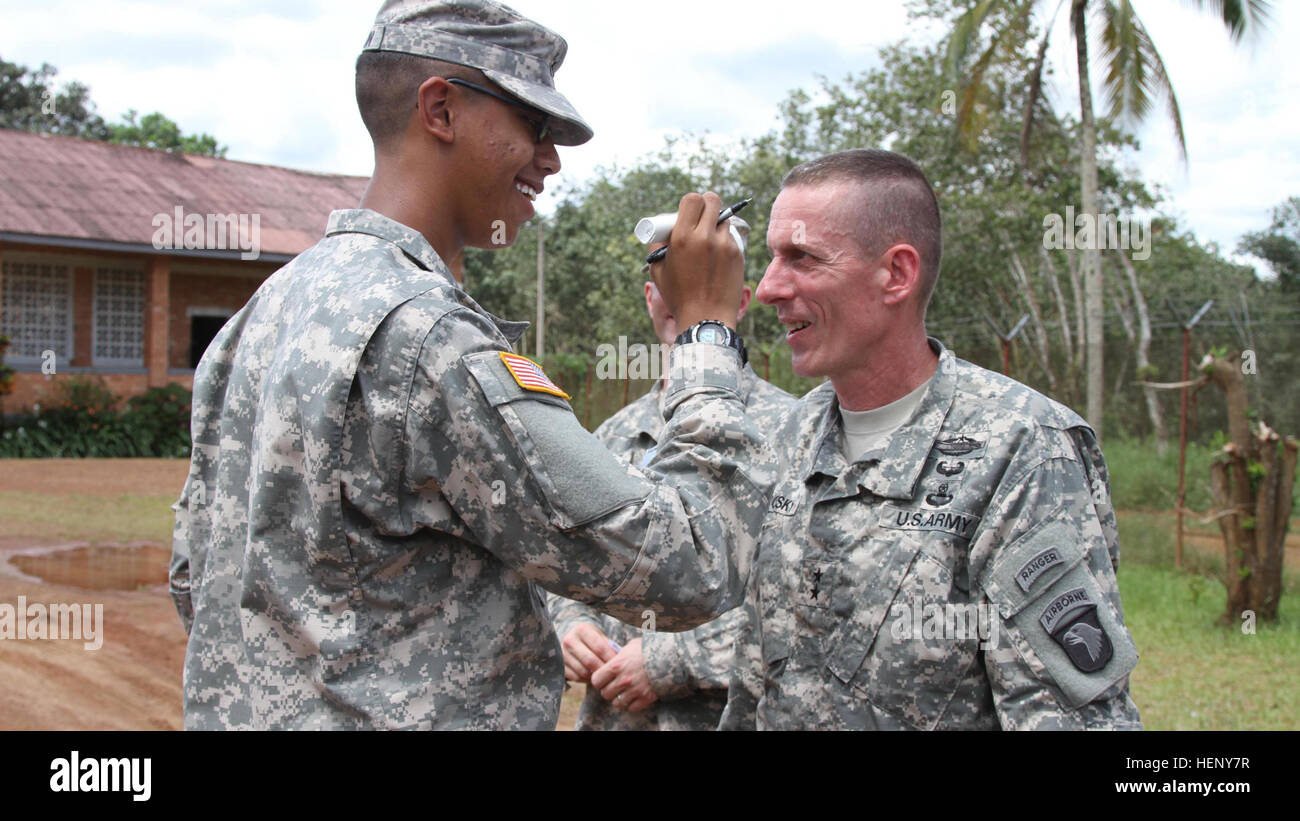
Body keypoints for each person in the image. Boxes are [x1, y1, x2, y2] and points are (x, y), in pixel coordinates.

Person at [168, 0, 771, 730]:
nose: (550, 160)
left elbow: (195, 577)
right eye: (532, 126)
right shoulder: (432, 340)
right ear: (441, 109)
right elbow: (690, 564)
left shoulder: (258, 314)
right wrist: (707, 327)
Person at [719, 149, 1142, 730]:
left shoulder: (1022, 449)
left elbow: (1068, 717)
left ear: (896, 273)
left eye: (802, 258)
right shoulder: (789, 436)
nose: (767, 288)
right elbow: (753, 684)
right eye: (771, 258)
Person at [548, 236, 795, 730]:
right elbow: (568, 556)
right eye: (668, 284)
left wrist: (669, 660)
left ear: (740, 302)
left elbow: (805, 599)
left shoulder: (792, 430)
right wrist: (570, 625)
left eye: (697, 284)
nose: (680, 303)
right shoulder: (609, 436)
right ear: (648, 296)